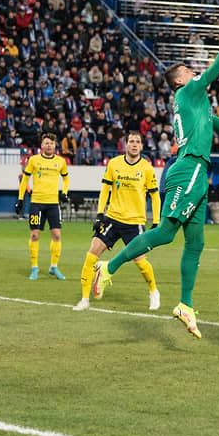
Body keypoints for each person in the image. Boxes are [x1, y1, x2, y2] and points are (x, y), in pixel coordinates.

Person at [93, 13, 219, 339]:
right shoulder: (186, 94)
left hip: (198, 170)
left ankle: (185, 304)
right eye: (188, 71)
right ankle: (107, 268)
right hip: (189, 168)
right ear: (181, 81)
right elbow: (217, 66)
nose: (194, 72)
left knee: (196, 242)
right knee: (167, 232)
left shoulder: (201, 109)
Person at [73, 131, 161, 312]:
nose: (134, 144)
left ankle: (154, 292)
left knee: (140, 261)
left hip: (135, 222)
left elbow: (155, 196)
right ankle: (84, 299)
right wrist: (99, 215)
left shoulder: (147, 168)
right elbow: (105, 189)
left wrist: (156, 222)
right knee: (91, 255)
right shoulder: (114, 164)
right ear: (126, 144)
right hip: (112, 218)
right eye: (131, 141)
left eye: (138, 141)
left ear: (142, 146)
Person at [15, 133, 70, 280]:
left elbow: (66, 179)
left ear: (55, 145)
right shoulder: (33, 160)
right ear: (42, 145)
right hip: (36, 203)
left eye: (51, 143)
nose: (48, 145)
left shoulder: (61, 161)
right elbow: (25, 179)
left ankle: (54, 267)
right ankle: (34, 268)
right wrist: (20, 199)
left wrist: (64, 193)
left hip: (53, 204)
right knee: (34, 235)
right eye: (46, 143)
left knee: (57, 235)